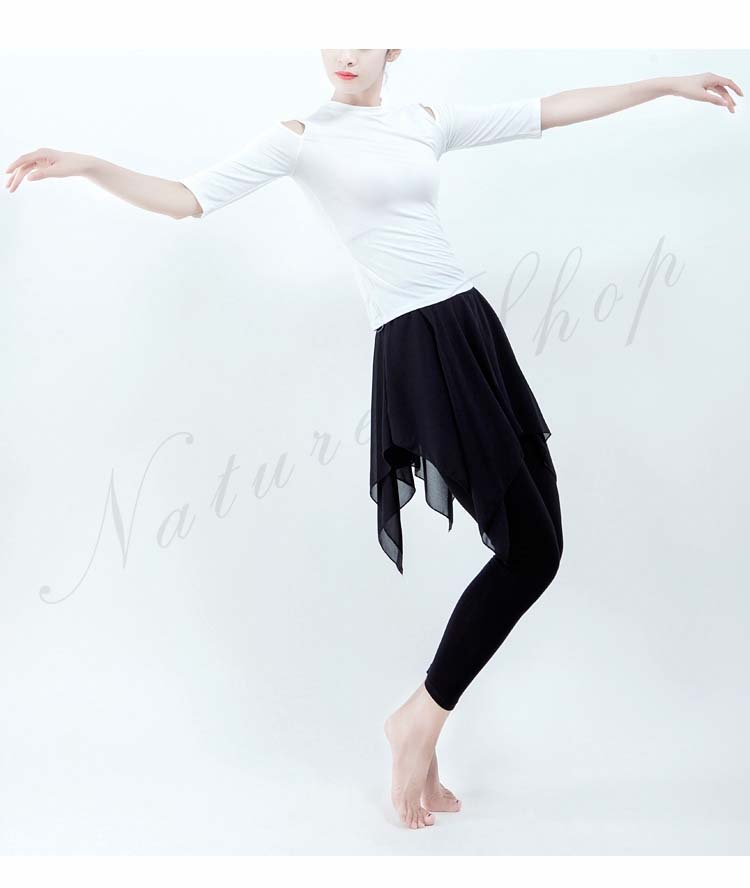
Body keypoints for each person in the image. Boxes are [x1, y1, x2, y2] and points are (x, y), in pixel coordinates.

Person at [5, 49, 742, 831]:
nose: (346, 52)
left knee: (542, 544)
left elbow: (550, 110)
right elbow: (187, 199)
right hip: (419, 345)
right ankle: (418, 720)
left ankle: (422, 722)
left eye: (363, 33)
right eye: (333, 35)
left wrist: (665, 83)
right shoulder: (301, 138)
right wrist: (89, 165)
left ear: (393, 45)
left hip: (471, 325)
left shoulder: (422, 122)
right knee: (528, 551)